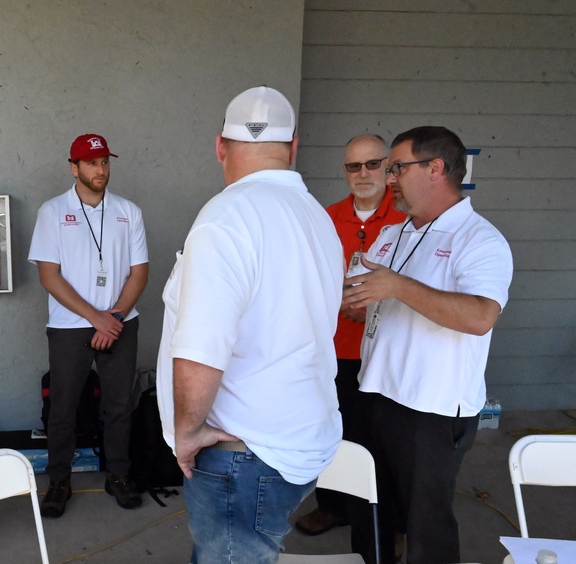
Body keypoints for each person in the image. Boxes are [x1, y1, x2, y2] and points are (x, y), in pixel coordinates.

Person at [156, 86, 345, 563]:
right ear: (294, 147)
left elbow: (202, 346)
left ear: (220, 145)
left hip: (242, 452)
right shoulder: (317, 218)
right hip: (294, 442)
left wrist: (188, 432)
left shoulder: (226, 218)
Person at [343, 126, 513, 563]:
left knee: (426, 524)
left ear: (435, 168)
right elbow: (371, 301)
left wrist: (397, 286)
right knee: (373, 503)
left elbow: (479, 317)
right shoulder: (396, 233)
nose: (390, 178)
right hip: (377, 391)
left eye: (396, 167)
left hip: (431, 409)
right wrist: (354, 302)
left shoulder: (479, 239)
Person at [28, 133, 149, 518]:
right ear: (74, 167)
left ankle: (118, 475)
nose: (100, 169)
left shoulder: (128, 211)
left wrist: (113, 318)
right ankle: (59, 481)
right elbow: (49, 275)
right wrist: (96, 317)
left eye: (105, 162)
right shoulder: (52, 211)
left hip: (120, 324)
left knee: (119, 406)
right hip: (70, 327)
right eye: (92, 162)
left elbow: (139, 274)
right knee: (63, 408)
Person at [295, 134, 406, 539]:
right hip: (333, 348)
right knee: (331, 430)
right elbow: (307, 278)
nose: (363, 174)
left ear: (390, 168)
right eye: (353, 166)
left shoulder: (406, 220)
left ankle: (384, 523)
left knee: (382, 440)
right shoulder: (326, 217)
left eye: (373, 164)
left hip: (384, 352)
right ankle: (332, 507)